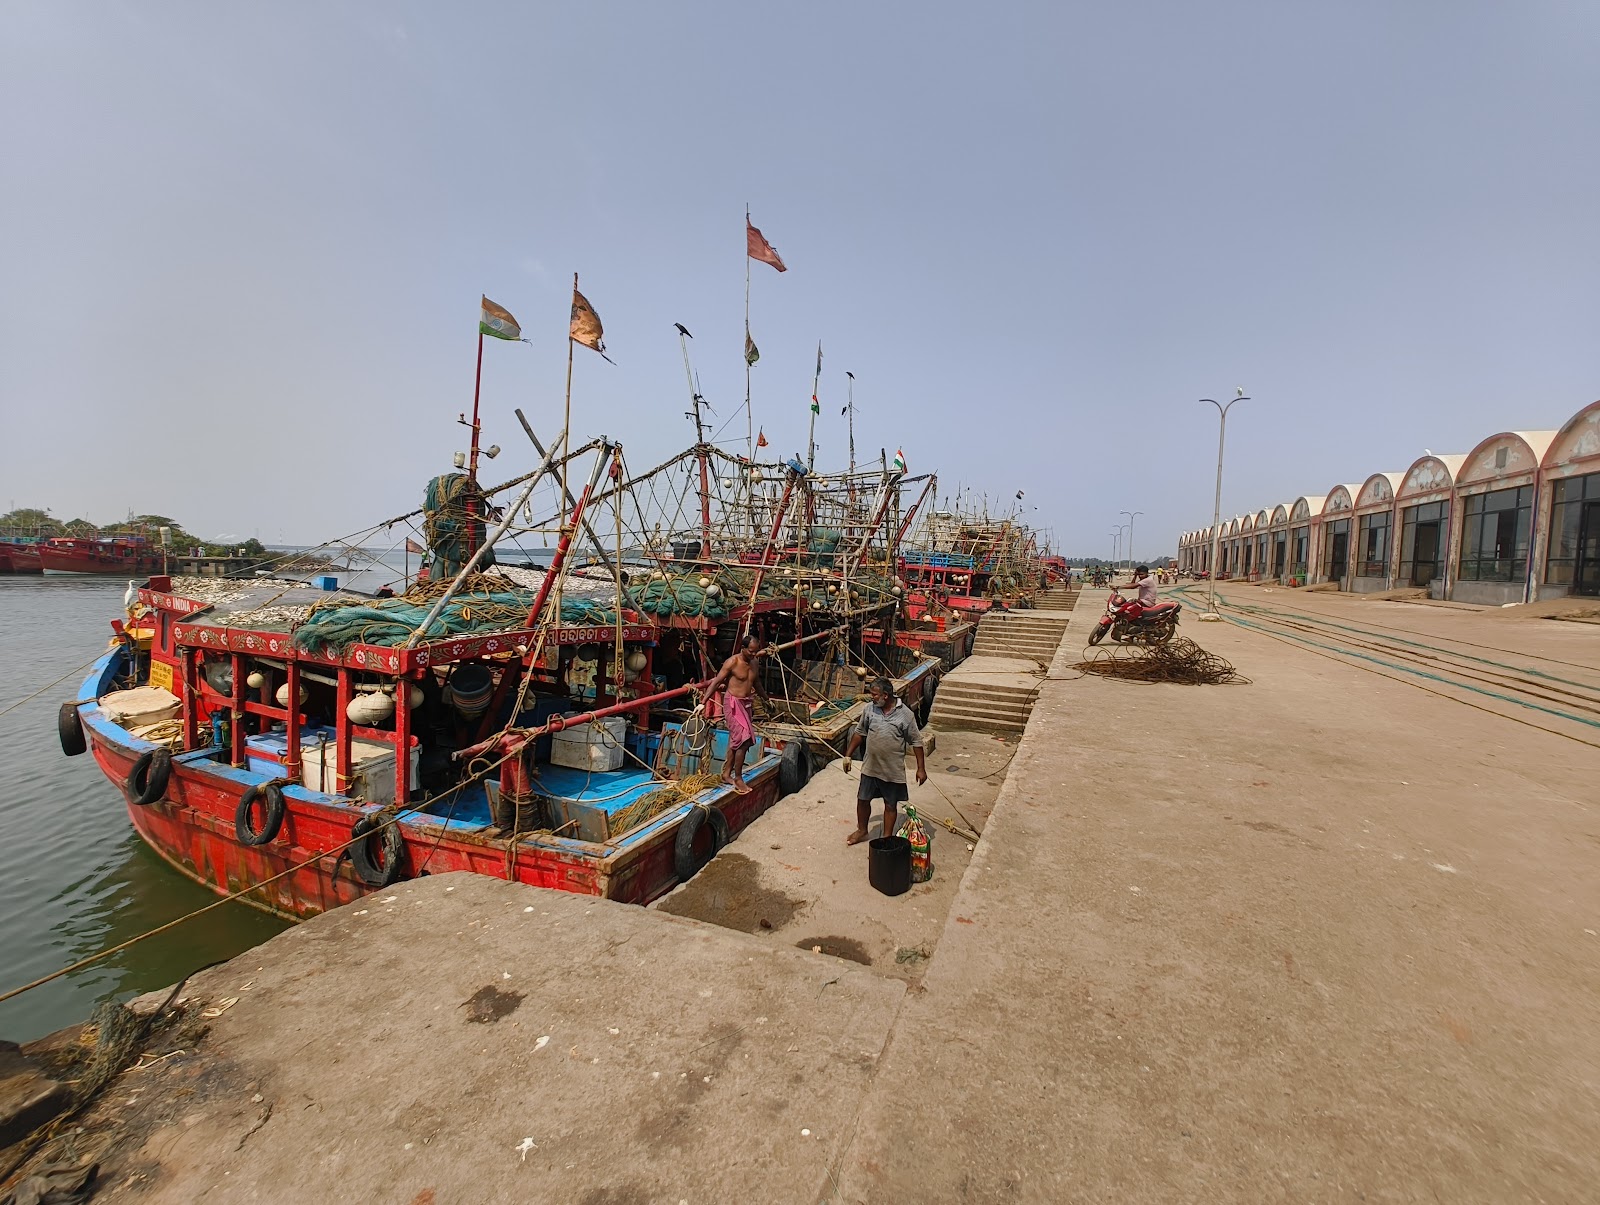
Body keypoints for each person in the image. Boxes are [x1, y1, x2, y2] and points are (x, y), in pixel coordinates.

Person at [841, 677, 927, 846]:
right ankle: (862, 829)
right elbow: (859, 733)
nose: (872, 697)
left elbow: (916, 742)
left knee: (890, 804)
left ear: (885, 695)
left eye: (874, 695)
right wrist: (847, 755)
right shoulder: (869, 710)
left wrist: (921, 769)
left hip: (892, 769)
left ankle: (886, 838)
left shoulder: (906, 715)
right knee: (863, 799)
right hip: (871, 766)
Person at [702, 631, 769, 794]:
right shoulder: (732, 662)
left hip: (746, 704)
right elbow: (717, 681)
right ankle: (738, 778)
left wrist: (767, 699)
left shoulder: (754, 663)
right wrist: (702, 703)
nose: (753, 654)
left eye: (755, 651)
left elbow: (757, 683)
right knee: (744, 739)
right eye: (750, 651)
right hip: (732, 704)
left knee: (736, 739)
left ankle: (726, 773)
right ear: (743, 648)